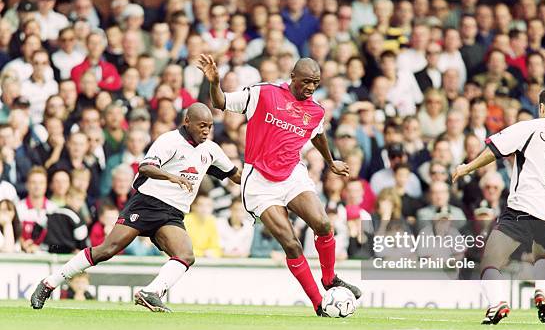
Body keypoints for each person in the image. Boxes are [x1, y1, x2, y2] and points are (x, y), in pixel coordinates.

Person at [31, 103, 242, 312]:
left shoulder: (211, 150)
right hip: (147, 203)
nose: (206, 131)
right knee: (107, 250)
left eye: (210, 126)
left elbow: (236, 175)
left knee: (186, 255)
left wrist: (263, 180)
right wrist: (170, 176)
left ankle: (151, 292)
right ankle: (49, 283)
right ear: (187, 121)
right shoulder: (169, 140)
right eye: (201, 125)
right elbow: (146, 166)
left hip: (173, 214)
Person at [199, 54, 362, 316]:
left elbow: (318, 134)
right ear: (293, 78)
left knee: (323, 224)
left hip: (292, 175)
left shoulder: (316, 110)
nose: (310, 87)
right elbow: (221, 102)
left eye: (316, 83)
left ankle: (330, 278)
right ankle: (319, 304)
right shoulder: (263, 93)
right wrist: (214, 82)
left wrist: (331, 162)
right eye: (306, 81)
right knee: (292, 244)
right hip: (259, 182)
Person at [452, 87, 545, 325]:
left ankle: (497, 303)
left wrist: (467, 167)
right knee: (542, 254)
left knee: (491, 259)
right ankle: (542, 291)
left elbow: (495, 151)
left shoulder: (530, 127)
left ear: (541, 107)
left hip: (526, 206)